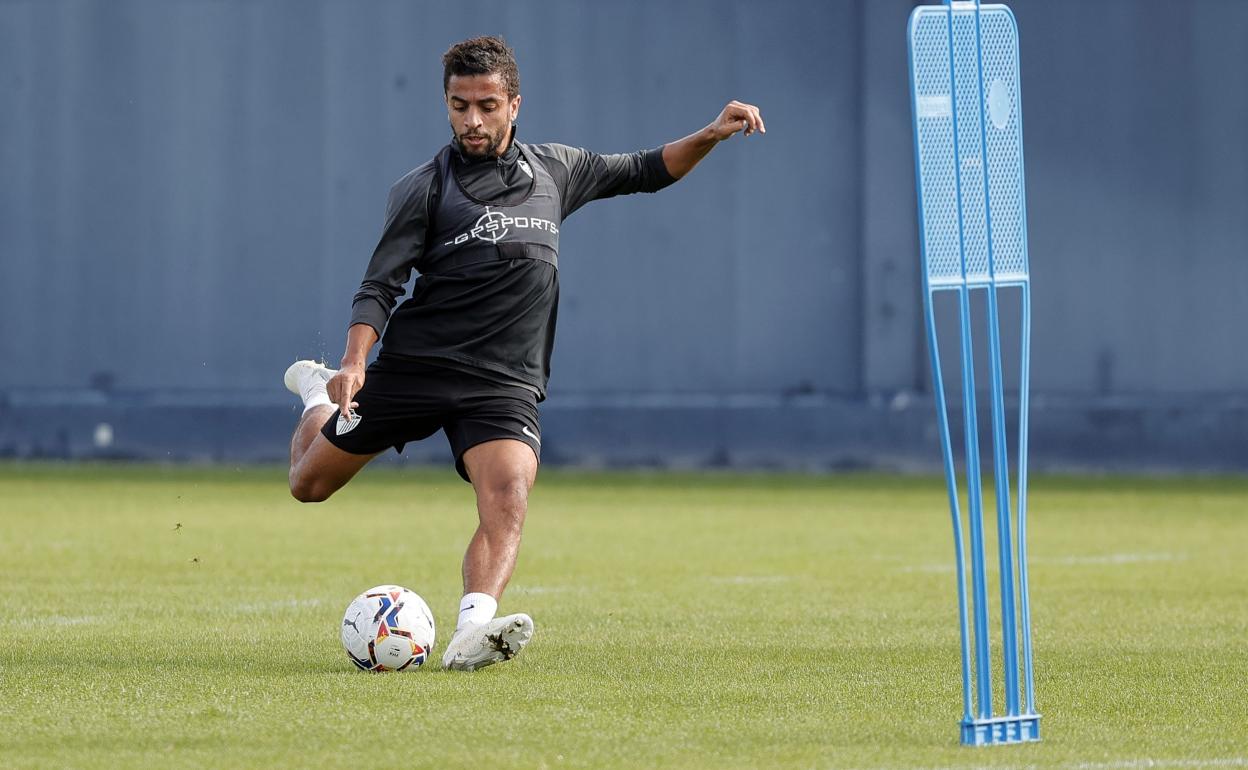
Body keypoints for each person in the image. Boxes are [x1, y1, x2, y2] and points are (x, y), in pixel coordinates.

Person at [283, 35, 764, 672]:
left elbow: (646, 170)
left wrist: (711, 132)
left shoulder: (555, 170)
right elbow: (379, 286)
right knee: (308, 486)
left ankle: (471, 632)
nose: (472, 120)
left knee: (508, 491)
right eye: (458, 106)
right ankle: (317, 396)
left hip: (503, 382)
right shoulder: (423, 189)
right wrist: (351, 364)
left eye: (486, 105)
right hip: (419, 369)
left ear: (515, 104)